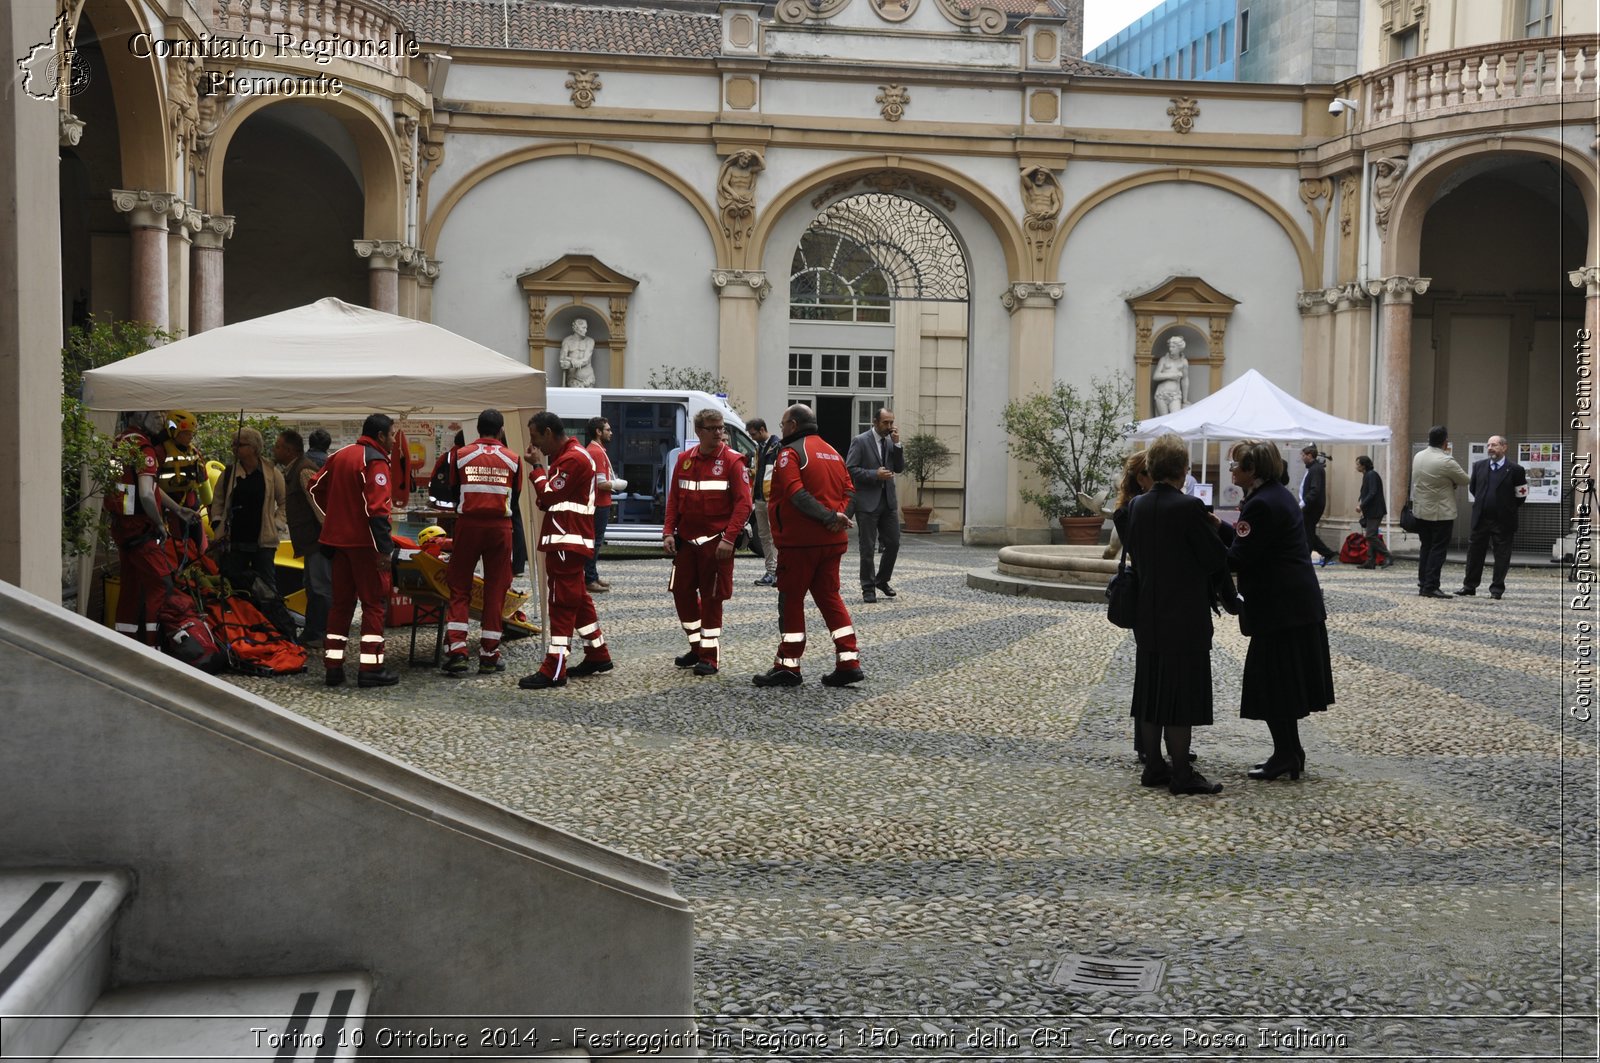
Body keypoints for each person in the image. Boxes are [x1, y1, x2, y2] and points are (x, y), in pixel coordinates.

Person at [1216, 440, 1336, 781]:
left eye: (1237, 465)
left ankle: (1286, 754)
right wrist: (1216, 526)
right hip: (1293, 607)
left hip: (1281, 610)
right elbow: (1248, 542)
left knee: (1273, 684)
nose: (1231, 470)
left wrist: (1202, 547)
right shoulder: (1271, 496)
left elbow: (1239, 556)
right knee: (1280, 684)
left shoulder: (1262, 504)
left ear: (1253, 470)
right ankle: (1290, 752)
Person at [1124, 434, 1227, 796]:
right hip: (1183, 615)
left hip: (1148, 613)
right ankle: (1182, 772)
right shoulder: (1187, 508)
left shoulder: (1136, 506)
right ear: (1182, 470)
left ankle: (1154, 765)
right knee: (1180, 694)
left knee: (1151, 691)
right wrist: (1215, 529)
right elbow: (1216, 560)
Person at [755, 404, 862, 688]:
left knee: (791, 600)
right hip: (832, 542)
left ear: (793, 424)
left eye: (782, 424)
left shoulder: (790, 454)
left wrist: (830, 518)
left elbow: (796, 495)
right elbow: (851, 491)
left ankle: (788, 665)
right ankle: (848, 661)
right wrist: (838, 519)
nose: (780, 429)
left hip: (800, 543)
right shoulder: (833, 452)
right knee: (830, 598)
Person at [520, 411, 612, 689]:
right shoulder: (571, 457)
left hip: (566, 540)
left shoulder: (573, 458)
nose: (536, 446)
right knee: (578, 598)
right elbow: (552, 496)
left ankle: (555, 668)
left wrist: (536, 469)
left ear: (549, 432)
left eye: (536, 438)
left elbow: (548, 496)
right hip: (569, 539)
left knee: (561, 602)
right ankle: (597, 653)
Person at [309, 413, 399, 688]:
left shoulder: (340, 455)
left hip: (337, 544)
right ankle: (370, 668)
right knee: (373, 604)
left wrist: (334, 516)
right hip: (364, 545)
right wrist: (385, 550)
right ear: (381, 435)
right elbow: (378, 509)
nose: (395, 440)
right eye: (393, 434)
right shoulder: (376, 461)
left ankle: (333, 667)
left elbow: (314, 486)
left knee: (340, 604)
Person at [662, 408, 753, 676]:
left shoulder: (734, 461)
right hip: (687, 542)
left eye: (721, 428)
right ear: (699, 431)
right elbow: (674, 499)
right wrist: (668, 531)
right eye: (712, 428)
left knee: (713, 598)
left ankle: (709, 656)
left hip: (716, 542)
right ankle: (696, 645)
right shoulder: (684, 460)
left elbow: (743, 504)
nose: (719, 433)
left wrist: (729, 538)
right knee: (681, 593)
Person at [440, 409, 522, 676]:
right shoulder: (513, 459)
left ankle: (457, 653)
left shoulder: (461, 455)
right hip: (501, 528)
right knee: (496, 589)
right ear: (500, 431)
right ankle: (489, 654)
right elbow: (516, 497)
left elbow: (453, 490)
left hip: (468, 525)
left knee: (459, 587)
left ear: (478, 429)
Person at [108, 411, 192, 645]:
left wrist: (177, 509)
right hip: (140, 529)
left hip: (122, 527)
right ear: (138, 416)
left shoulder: (121, 443)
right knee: (161, 586)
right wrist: (158, 523)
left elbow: (143, 486)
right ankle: (154, 645)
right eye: (155, 416)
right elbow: (146, 493)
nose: (162, 421)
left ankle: (126, 642)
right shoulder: (144, 448)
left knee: (131, 587)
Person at [209, 426, 286, 604]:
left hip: (263, 542)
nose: (234, 448)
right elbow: (218, 501)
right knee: (234, 586)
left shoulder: (271, 472)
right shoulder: (228, 473)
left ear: (253, 447)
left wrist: (277, 522)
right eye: (233, 444)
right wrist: (217, 522)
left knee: (267, 588)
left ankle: (272, 625)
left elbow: (284, 502)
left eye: (239, 444)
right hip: (234, 542)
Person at [273, 429, 330, 647]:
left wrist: (327, 536)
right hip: (310, 541)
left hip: (317, 540)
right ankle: (313, 631)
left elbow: (318, 505)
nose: (275, 449)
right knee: (312, 586)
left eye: (278, 446)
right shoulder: (294, 469)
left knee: (320, 588)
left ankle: (320, 633)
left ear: (289, 450)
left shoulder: (303, 470)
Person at [1456, 435, 1528, 599]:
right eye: (1488, 445)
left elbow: (1521, 494)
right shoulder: (1479, 466)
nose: (1490, 448)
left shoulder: (1515, 469)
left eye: (1494, 445)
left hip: (1503, 521)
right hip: (1481, 518)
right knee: (1474, 554)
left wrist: (1506, 508)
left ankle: (1496, 589)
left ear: (1504, 447)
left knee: (1502, 555)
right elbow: (1474, 488)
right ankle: (1469, 586)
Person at [844, 408, 903, 603]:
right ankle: (868, 588)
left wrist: (898, 445)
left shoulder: (890, 441)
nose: (889, 427)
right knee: (867, 548)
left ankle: (882, 580)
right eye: (885, 423)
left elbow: (900, 468)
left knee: (893, 543)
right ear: (875, 421)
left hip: (888, 502)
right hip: (867, 502)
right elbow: (850, 469)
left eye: (891, 422)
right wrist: (873, 474)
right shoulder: (860, 441)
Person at [1411, 425, 1469, 599]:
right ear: (1445, 442)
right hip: (1440, 512)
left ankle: (1423, 583)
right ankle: (1431, 586)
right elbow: (1465, 480)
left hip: (1421, 510)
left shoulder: (1418, 456)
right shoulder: (1446, 460)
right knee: (1438, 550)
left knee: (1426, 547)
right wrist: (1451, 482)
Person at [155, 409, 209, 553]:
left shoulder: (194, 452)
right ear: (174, 431)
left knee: (198, 546)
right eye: (186, 433)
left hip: (192, 504)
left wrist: (211, 510)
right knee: (176, 547)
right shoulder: (160, 452)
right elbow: (150, 485)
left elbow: (204, 483)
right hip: (169, 507)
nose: (190, 437)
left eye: (192, 433)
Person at [584, 416, 625, 593]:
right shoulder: (597, 452)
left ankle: (592, 575)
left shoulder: (595, 449)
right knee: (595, 542)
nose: (611, 432)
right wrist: (618, 484)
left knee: (595, 541)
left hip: (598, 502)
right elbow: (601, 483)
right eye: (607, 429)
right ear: (598, 432)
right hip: (599, 503)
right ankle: (590, 578)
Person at [748, 418, 780, 587]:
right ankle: (771, 571)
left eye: (753, 434)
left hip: (771, 498)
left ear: (761, 430)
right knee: (764, 536)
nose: (752, 437)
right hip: (761, 498)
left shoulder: (777, 447)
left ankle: (776, 572)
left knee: (773, 536)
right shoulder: (759, 448)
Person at [1298, 445, 1338, 565]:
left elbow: (1315, 489)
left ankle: (1307, 557)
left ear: (1310, 456)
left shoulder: (1316, 469)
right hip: (1311, 505)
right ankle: (1328, 553)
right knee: (1308, 531)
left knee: (1308, 532)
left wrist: (1303, 503)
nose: (1302, 457)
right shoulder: (1314, 468)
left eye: (1303, 455)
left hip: (1312, 506)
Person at [1355, 455, 1391, 568]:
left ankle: (1388, 555)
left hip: (1375, 510)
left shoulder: (1371, 475)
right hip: (1372, 510)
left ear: (1363, 465)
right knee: (1372, 534)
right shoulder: (1368, 475)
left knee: (1370, 535)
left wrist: (1361, 505)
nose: (1356, 466)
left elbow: (1372, 492)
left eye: (1357, 464)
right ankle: (1371, 561)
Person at [1151, 336, 1189, 415]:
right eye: (1170, 346)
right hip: (1161, 394)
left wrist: (1185, 399)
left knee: (1175, 417)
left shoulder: (1183, 362)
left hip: (1175, 395)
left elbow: (1185, 380)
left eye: (1173, 347)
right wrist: (1172, 375)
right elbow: (1156, 376)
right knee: (1162, 420)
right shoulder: (1163, 359)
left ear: (1179, 348)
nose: (1170, 349)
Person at [560, 319, 597, 389]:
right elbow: (562, 358)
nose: (586, 330)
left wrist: (572, 362)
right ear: (576, 328)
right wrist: (569, 361)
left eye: (586, 328)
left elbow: (586, 360)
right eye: (583, 328)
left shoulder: (590, 341)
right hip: (574, 379)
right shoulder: (567, 341)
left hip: (588, 378)